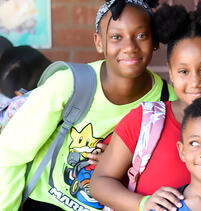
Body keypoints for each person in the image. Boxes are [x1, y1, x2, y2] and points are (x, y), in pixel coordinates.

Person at [0, 0, 178, 210]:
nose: (130, 47)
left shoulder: (167, 102)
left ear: (155, 41)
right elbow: (11, 152)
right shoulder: (71, 84)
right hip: (45, 202)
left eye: (141, 35)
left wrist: (121, 160)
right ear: (99, 42)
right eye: (115, 37)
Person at [90, 1, 201, 210]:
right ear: (170, 73)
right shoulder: (146, 119)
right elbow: (99, 182)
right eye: (183, 72)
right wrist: (143, 203)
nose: (195, 82)